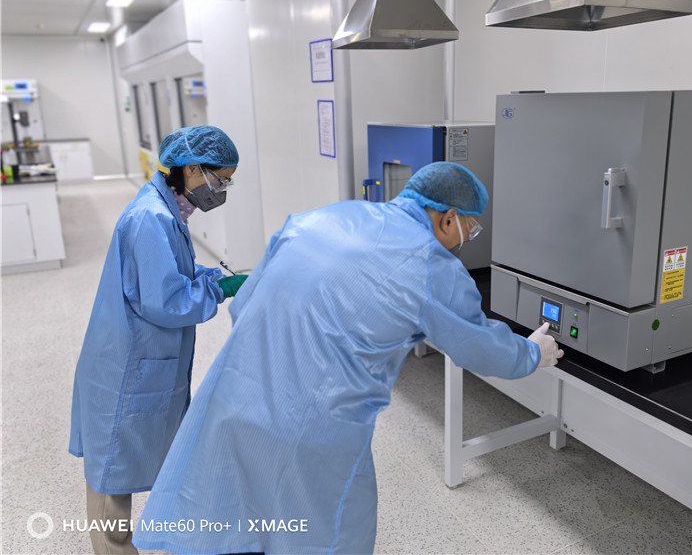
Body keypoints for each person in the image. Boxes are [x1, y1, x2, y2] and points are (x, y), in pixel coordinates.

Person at [133, 161, 563, 555]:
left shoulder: (317, 219)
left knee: (240, 521)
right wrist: (532, 352)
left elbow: (244, 305)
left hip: (236, 397)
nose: (465, 239)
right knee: (329, 533)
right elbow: (478, 345)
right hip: (315, 429)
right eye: (469, 229)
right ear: (447, 218)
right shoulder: (432, 265)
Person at [69, 125, 249, 555]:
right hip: (124, 367)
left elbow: (172, 274)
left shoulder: (168, 211)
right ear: (192, 169)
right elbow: (166, 301)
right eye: (219, 179)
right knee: (111, 484)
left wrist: (214, 277)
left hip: (143, 358)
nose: (221, 190)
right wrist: (219, 291)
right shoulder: (151, 218)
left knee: (128, 462)